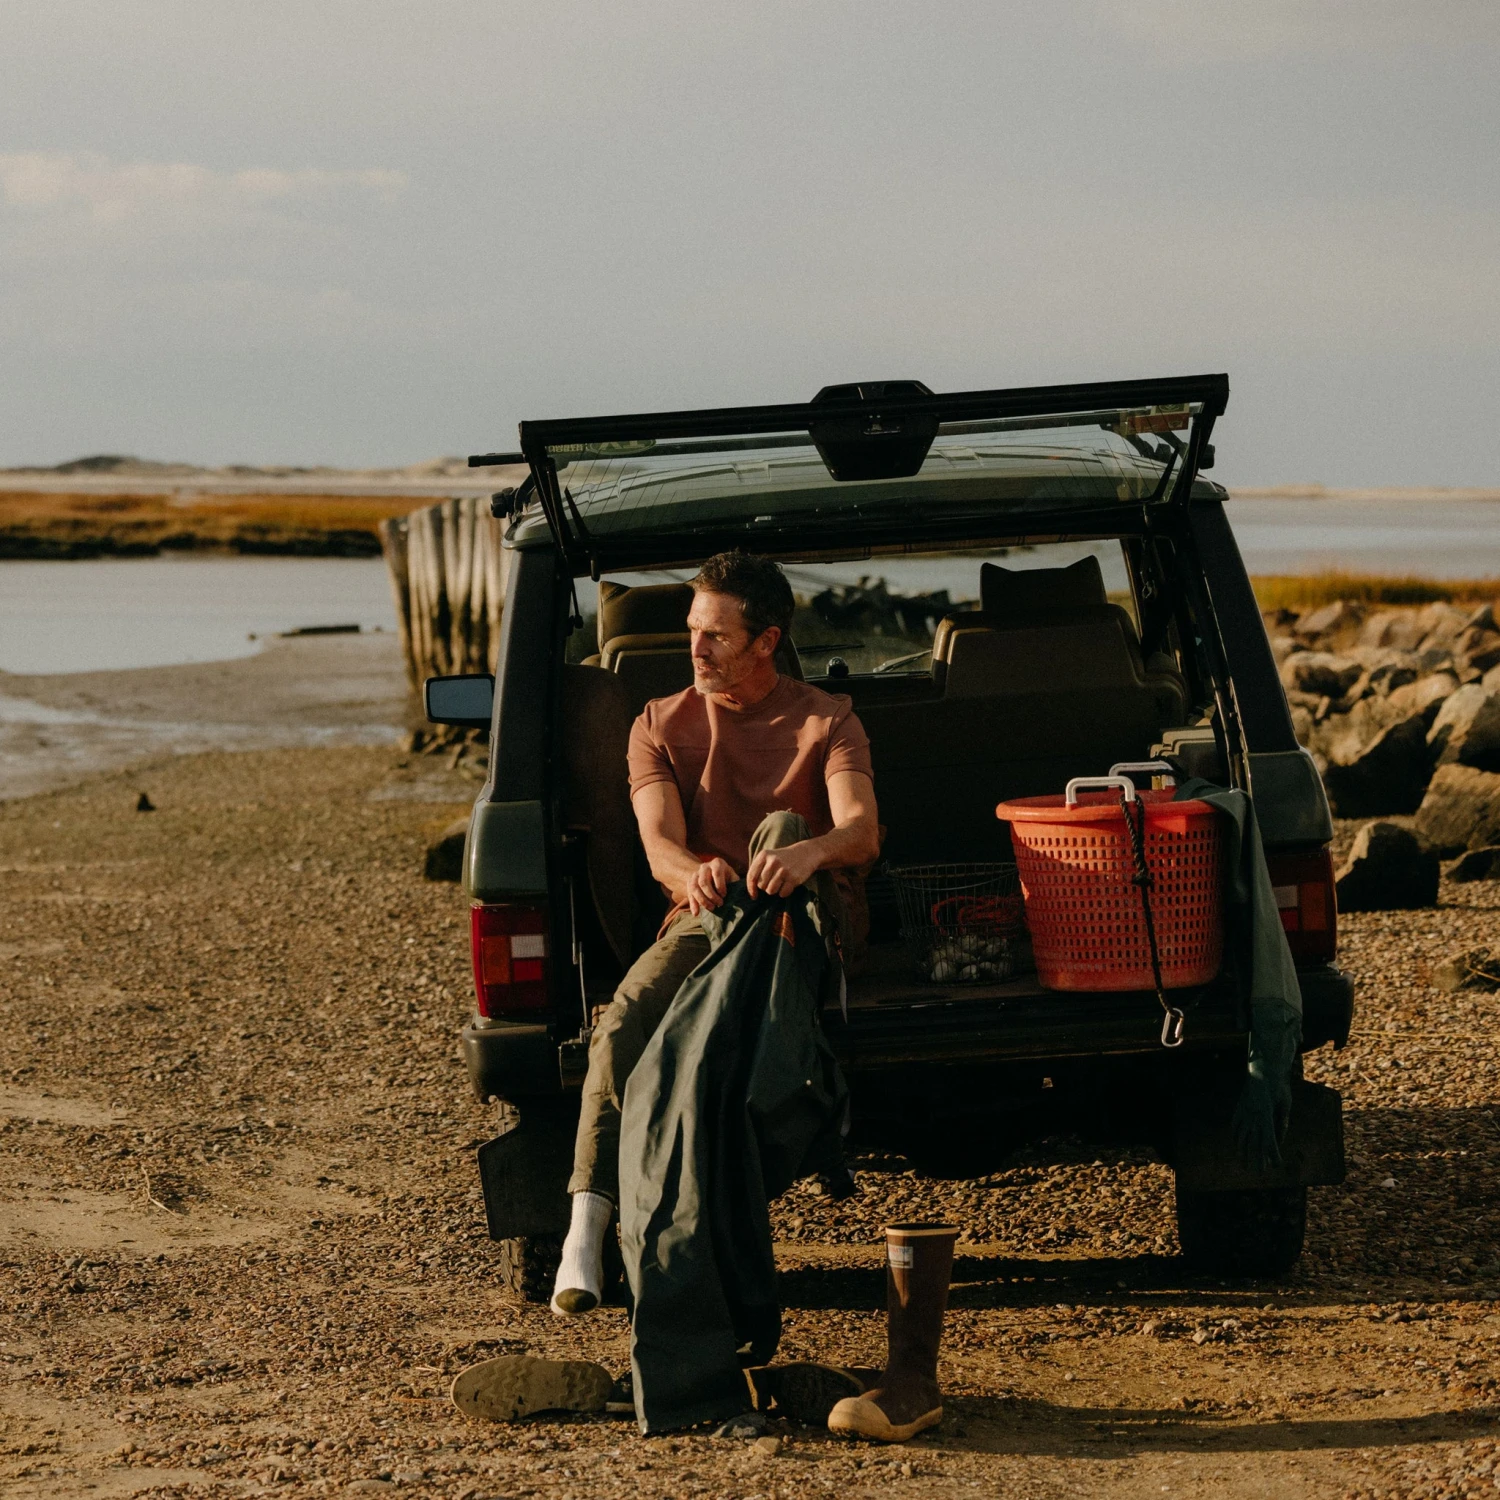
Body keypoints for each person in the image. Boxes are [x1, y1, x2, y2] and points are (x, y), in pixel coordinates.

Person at [551, 548, 880, 1316]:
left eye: (715, 637)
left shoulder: (828, 718)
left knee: (787, 824)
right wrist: (689, 871)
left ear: (766, 640)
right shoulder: (657, 723)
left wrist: (806, 852)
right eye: (692, 632)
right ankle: (585, 1227)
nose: (695, 650)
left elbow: (861, 832)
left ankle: (701, 1234)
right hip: (706, 919)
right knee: (625, 1021)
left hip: (807, 922)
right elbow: (657, 841)